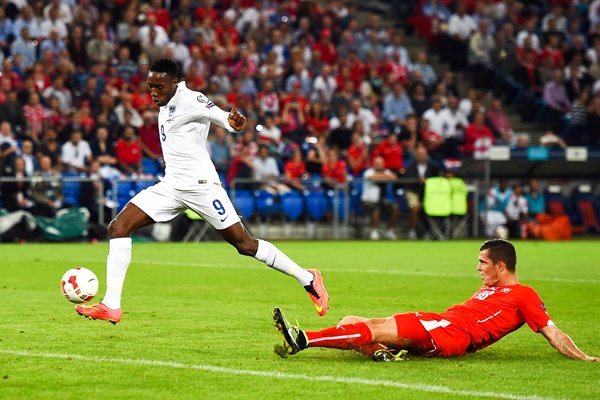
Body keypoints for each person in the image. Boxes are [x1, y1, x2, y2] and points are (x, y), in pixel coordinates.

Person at [75, 58, 329, 324]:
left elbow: (219, 116)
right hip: (172, 186)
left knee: (244, 245)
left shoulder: (190, 99)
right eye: (150, 86)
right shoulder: (164, 102)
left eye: (159, 86)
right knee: (118, 227)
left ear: (175, 83)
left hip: (202, 188)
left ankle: (308, 278)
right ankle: (111, 305)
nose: (153, 92)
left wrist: (233, 123)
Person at [273, 239, 599, 362]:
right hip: (444, 325)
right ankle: (381, 355)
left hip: (452, 333)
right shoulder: (490, 291)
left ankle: (303, 340)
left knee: (375, 327)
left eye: (483, 262)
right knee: (350, 321)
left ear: (501, 266)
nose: (478, 267)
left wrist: (583, 357)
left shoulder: (524, 295)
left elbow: (552, 331)